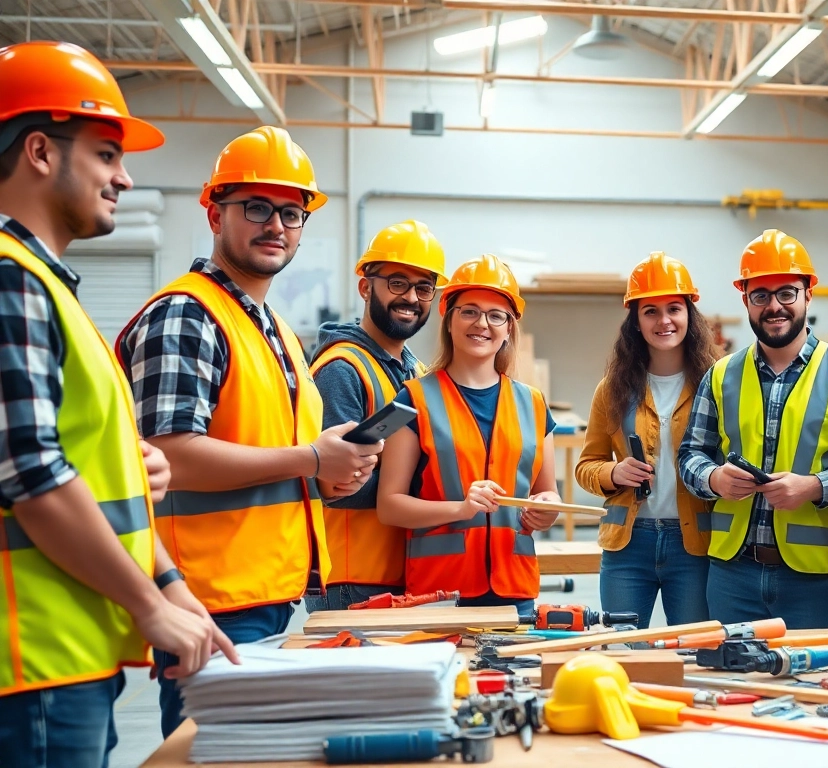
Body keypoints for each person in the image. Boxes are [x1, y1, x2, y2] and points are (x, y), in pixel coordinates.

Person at [0, 41, 237, 765]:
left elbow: (76, 463)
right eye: (107, 153)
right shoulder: (12, 282)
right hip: (33, 657)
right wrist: (150, 605)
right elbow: (33, 478)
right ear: (40, 151)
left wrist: (170, 581)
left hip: (70, 655)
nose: (125, 177)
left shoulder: (44, 285)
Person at [118, 126, 382, 737]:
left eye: (292, 213)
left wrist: (330, 473)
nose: (277, 226)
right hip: (207, 600)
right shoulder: (187, 313)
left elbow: (273, 456)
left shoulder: (274, 329)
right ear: (214, 212)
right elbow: (170, 456)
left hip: (263, 592)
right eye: (256, 208)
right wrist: (312, 460)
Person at [679, 229, 828, 629]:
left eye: (786, 293)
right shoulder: (720, 375)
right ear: (746, 301)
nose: (774, 306)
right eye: (761, 296)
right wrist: (715, 478)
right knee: (731, 685)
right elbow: (690, 455)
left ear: (808, 294)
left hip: (813, 579)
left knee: (813, 685)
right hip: (731, 575)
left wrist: (813, 487)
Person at [378, 254, 560, 615]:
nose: (483, 324)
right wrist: (461, 508)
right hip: (439, 594)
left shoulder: (534, 404)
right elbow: (389, 505)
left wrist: (547, 510)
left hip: (516, 593)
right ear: (449, 319)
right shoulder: (413, 399)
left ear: (509, 328)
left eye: (497, 316)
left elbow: (546, 492)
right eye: (470, 311)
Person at [306, 220, 446, 611]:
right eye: (397, 283)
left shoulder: (416, 373)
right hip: (352, 581)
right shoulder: (342, 368)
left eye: (423, 287)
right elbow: (335, 484)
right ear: (366, 286)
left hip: (405, 571)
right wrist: (433, 491)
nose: (412, 298)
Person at [576, 252, 720, 628]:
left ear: (690, 315)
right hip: (627, 546)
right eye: (650, 311)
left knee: (693, 654)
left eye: (674, 308)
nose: (664, 320)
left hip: (695, 546)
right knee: (625, 651)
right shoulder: (611, 390)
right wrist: (613, 472)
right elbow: (586, 466)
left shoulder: (717, 384)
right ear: (635, 322)